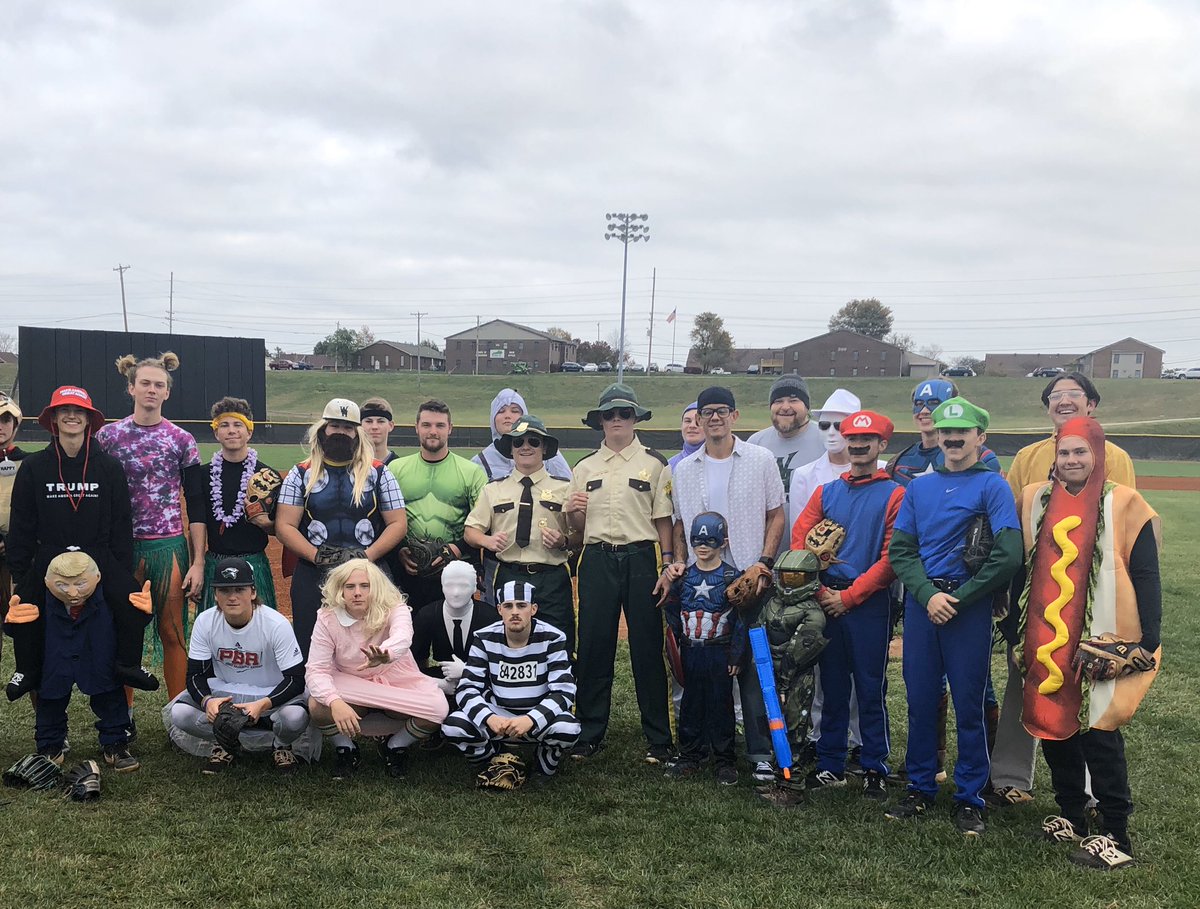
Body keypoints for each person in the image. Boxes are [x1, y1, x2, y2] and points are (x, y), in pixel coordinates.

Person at [1004, 416, 1160, 869]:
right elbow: (1020, 567)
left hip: (1102, 637)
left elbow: (1147, 574)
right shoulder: (1035, 499)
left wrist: (1149, 638)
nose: (1071, 460)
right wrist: (1013, 624)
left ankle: (1118, 832)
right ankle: (1072, 812)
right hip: (1046, 635)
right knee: (1053, 722)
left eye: (1080, 452)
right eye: (1064, 452)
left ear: (1098, 455)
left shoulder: (1126, 504)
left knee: (1099, 730)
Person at [988, 373, 1138, 807]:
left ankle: (1088, 792)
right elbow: (1013, 526)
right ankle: (1012, 777)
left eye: (1075, 395)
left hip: (1091, 594)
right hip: (1038, 594)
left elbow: (1122, 525)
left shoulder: (1115, 456)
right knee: (1027, 682)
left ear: (1092, 404)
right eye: (1056, 396)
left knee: (1087, 687)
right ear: (1047, 407)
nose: (1065, 401)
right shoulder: (1030, 456)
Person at [886, 398, 1022, 837]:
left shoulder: (992, 486)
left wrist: (958, 598)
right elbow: (901, 551)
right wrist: (927, 595)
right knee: (922, 700)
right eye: (947, 432)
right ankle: (921, 787)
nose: (954, 438)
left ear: (981, 437)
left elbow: (1007, 555)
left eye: (963, 432)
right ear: (937, 437)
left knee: (969, 704)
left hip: (967, 606)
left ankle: (970, 795)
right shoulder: (920, 488)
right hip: (925, 605)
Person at [5, 386, 155, 699]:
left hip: (98, 555)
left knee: (132, 604)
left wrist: (121, 570)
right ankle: (28, 669)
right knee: (24, 608)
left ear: (89, 420)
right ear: (54, 420)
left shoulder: (109, 467)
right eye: (64, 411)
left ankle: (129, 664)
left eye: (79, 411)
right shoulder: (34, 467)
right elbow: (22, 523)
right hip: (50, 554)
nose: (72, 416)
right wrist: (21, 574)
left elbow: (120, 523)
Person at [667, 386, 785, 781]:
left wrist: (764, 563)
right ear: (697, 419)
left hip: (749, 576)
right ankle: (699, 748)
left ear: (734, 416)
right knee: (701, 665)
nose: (713, 418)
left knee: (751, 666)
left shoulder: (760, 458)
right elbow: (681, 523)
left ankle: (759, 752)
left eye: (721, 411)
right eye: (706, 412)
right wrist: (680, 562)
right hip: (704, 577)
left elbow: (776, 515)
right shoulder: (684, 468)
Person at [791, 411, 903, 800]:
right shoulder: (827, 491)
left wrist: (850, 597)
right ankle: (830, 763)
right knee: (833, 685)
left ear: (881, 445)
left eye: (867, 440)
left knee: (870, 687)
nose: (858, 446)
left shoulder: (894, 493)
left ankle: (873, 765)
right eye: (853, 439)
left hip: (868, 602)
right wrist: (821, 591)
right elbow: (799, 539)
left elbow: (892, 558)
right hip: (827, 595)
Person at [567, 383, 674, 763]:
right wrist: (574, 511)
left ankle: (659, 737)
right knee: (595, 646)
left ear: (635, 418)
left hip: (642, 557)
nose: (616, 420)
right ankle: (590, 731)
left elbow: (663, 519)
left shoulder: (655, 463)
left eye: (624, 413)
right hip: (597, 558)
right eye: (609, 414)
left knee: (647, 647)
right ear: (599, 421)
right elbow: (577, 531)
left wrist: (666, 563)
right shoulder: (583, 467)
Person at [96, 352, 204, 699]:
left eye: (159, 385)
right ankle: (122, 715)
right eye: (145, 383)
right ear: (131, 388)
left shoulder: (181, 440)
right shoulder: (108, 437)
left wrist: (198, 561)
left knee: (173, 632)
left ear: (167, 393)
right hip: (122, 548)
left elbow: (197, 506)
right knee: (123, 632)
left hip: (167, 545)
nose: (152, 390)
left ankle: (178, 713)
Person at [276, 398, 408, 659]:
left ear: (357, 433)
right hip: (315, 571)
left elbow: (398, 523)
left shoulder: (379, 473)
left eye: (347, 428)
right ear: (323, 430)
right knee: (310, 641)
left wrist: (366, 557)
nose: (340, 432)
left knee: (374, 640)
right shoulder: (300, 473)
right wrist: (316, 555)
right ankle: (312, 693)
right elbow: (284, 525)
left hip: (368, 572)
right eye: (335, 425)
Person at [306, 559, 448, 779]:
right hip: (350, 683)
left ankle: (395, 746)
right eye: (350, 587)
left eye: (365, 586)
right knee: (317, 705)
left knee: (438, 708)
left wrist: (386, 654)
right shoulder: (327, 617)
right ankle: (346, 749)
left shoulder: (395, 607)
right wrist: (335, 701)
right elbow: (316, 669)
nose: (357, 593)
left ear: (376, 588)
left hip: (397, 679)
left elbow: (403, 636)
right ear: (340, 590)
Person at [168, 557, 308, 774]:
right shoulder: (205, 621)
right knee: (180, 714)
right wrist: (208, 701)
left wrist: (263, 704)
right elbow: (195, 675)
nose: (232, 597)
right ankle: (224, 744)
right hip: (227, 695)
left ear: (252, 592)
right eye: (224, 590)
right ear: (215, 594)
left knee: (294, 718)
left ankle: (281, 745)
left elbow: (296, 679)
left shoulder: (275, 624)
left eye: (239, 589)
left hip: (270, 697)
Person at [10, 551, 142, 771]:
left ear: (98, 577)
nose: (72, 593)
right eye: (62, 586)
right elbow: (23, 633)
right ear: (46, 582)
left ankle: (116, 742)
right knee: (50, 694)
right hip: (56, 653)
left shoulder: (110, 598)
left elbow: (131, 622)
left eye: (81, 584)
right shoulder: (39, 602)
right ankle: (50, 743)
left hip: (97, 649)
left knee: (109, 690)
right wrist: (14, 622)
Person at [442, 579, 580, 789]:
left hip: (535, 715)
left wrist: (531, 719)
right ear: (499, 609)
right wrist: (489, 717)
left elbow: (564, 690)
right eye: (508, 606)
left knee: (568, 728)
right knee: (453, 726)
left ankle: (544, 767)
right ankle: (490, 762)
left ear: (533, 609)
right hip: (498, 713)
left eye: (521, 605)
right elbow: (467, 688)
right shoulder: (484, 637)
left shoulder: (553, 638)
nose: (515, 612)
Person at [465, 416, 580, 656]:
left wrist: (564, 541)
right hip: (509, 573)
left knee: (560, 641)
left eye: (534, 441)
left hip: (551, 577)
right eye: (518, 442)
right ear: (510, 449)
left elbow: (580, 534)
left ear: (545, 447)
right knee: (510, 643)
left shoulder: (565, 487)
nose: (525, 447)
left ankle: (560, 690)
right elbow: (470, 531)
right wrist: (487, 541)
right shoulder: (493, 489)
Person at [662, 512, 743, 786]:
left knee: (722, 703)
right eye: (697, 539)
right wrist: (675, 646)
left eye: (711, 538)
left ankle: (725, 759)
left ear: (724, 541)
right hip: (691, 650)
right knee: (691, 702)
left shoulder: (734, 577)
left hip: (719, 651)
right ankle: (690, 754)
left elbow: (742, 620)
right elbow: (672, 611)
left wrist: (736, 653)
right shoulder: (683, 578)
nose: (703, 544)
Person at [389, 400, 486, 611]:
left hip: (455, 571)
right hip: (408, 571)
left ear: (450, 428)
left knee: (453, 639)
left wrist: (457, 549)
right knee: (410, 638)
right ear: (416, 427)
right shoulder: (396, 469)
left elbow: (483, 522)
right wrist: (399, 550)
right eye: (426, 425)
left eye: (440, 425)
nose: (433, 431)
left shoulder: (471, 472)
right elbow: (384, 519)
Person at [197, 397, 279, 615]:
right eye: (224, 425)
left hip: (254, 563)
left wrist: (264, 523)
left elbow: (282, 528)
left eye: (238, 424)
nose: (231, 430)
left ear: (249, 432)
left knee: (259, 632)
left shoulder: (267, 476)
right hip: (216, 561)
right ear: (216, 433)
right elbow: (198, 523)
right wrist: (197, 564)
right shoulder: (203, 475)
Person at [886, 379, 1001, 484]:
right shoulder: (898, 462)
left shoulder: (982, 458)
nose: (924, 410)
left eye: (934, 403)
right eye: (919, 404)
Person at [746, 374, 824, 528]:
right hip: (765, 547)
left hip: (812, 546)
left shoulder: (826, 440)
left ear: (806, 406)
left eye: (794, 400)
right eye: (778, 401)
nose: (785, 407)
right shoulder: (755, 444)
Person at [410, 560, 494, 693]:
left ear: (475, 587)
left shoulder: (490, 618)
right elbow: (412, 662)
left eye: (463, 586)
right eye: (449, 585)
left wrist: (467, 671)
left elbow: (501, 667)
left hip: (482, 682)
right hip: (441, 678)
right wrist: (438, 684)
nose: (455, 592)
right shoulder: (427, 615)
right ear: (442, 586)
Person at [787, 388, 863, 534]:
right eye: (824, 426)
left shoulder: (882, 470)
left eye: (839, 426)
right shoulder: (804, 475)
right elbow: (798, 531)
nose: (831, 433)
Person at [473, 388, 573, 481]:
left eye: (515, 411)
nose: (507, 416)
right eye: (501, 411)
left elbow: (568, 488)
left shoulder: (548, 454)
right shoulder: (480, 461)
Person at [0, 393, 29, 609]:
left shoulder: (29, 463)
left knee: (20, 613)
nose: (1, 426)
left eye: (5, 420)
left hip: (19, 550)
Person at [360, 397, 400, 466]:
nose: (374, 427)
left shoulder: (399, 466)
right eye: (369, 421)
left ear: (390, 425)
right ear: (360, 425)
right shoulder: (351, 465)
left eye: (380, 421)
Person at [667, 402, 703, 472]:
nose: (692, 425)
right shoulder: (670, 466)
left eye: (699, 421)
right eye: (688, 421)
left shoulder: (720, 463)